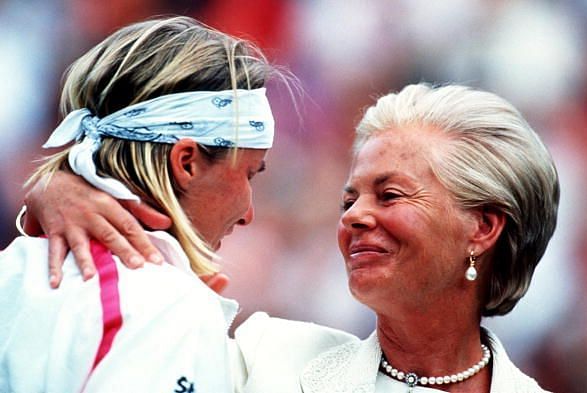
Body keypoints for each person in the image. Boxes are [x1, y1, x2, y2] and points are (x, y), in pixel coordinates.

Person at [23, 83, 558, 393]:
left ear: (483, 227)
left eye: (389, 195)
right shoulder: (267, 356)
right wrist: (60, 186)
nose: (354, 217)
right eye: (349, 200)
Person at [0, 15, 282, 392]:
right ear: (186, 163)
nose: (248, 213)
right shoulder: (164, 306)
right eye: (249, 174)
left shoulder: (13, 268)